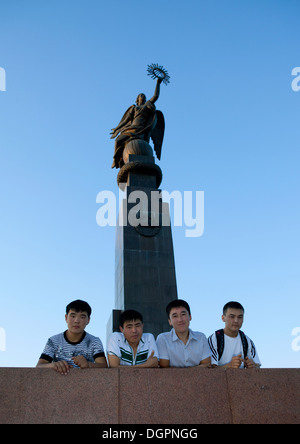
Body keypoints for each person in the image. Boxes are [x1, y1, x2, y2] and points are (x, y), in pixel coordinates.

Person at [36, 300, 107, 375]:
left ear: (88, 320)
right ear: (66, 318)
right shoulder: (54, 340)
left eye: (82, 317)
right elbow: (39, 366)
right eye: (73, 316)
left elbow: (104, 366)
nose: (76, 321)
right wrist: (53, 365)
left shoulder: (94, 341)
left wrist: (88, 365)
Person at [110, 77, 163, 169]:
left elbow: (155, 96)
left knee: (139, 148)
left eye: (144, 96)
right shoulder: (134, 108)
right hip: (130, 128)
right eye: (140, 96)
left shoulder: (147, 106)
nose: (142, 97)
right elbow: (126, 120)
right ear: (137, 99)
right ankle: (115, 160)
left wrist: (158, 83)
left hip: (141, 130)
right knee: (117, 141)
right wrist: (117, 128)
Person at [156, 299, 211, 368]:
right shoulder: (163, 339)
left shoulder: (201, 337)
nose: (180, 319)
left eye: (183, 314)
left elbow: (207, 366)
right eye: (175, 316)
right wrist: (196, 368)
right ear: (170, 321)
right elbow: (164, 369)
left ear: (190, 317)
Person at [208, 301, 261, 368]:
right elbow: (210, 370)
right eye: (232, 316)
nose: (236, 320)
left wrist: (253, 365)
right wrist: (229, 366)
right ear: (223, 318)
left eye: (240, 317)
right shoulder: (215, 339)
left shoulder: (247, 340)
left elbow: (257, 365)